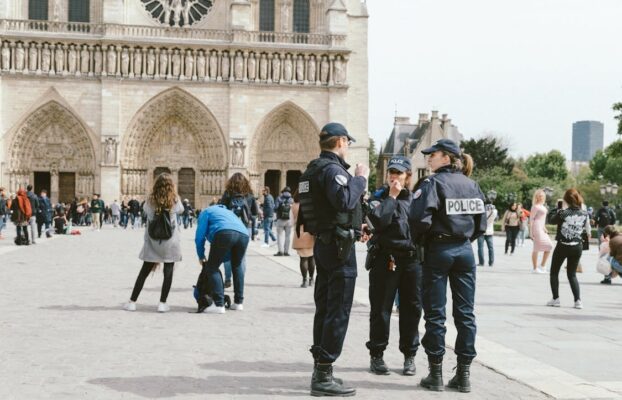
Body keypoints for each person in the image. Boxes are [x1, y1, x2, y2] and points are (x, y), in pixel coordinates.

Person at [408, 138, 486, 393]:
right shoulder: (471, 184)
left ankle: (436, 373)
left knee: (435, 313)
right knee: (465, 314)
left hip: (439, 250)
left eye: (433, 154)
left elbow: (418, 219)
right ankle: (463, 375)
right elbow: (481, 225)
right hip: (465, 251)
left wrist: (425, 240)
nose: (429, 158)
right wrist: (462, 238)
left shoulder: (433, 183)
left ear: (447, 157)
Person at [297, 122, 368, 397]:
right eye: (347, 142)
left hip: (324, 244)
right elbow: (343, 201)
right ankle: (324, 373)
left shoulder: (311, 170)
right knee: (338, 309)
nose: (348, 146)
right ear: (340, 142)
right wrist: (360, 178)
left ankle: (321, 368)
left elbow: (324, 209)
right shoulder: (333, 171)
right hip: (338, 248)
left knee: (325, 307)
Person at [365, 156, 422, 377]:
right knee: (381, 309)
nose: (394, 177)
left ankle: (409, 356)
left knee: (412, 309)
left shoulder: (417, 199)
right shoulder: (378, 198)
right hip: (385, 259)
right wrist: (392, 197)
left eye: (399, 173)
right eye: (391, 172)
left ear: (408, 176)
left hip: (411, 260)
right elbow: (375, 222)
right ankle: (377, 355)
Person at [124, 173, 184, 313]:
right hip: (170, 241)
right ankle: (162, 303)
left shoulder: (150, 200)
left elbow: (146, 212)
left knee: (144, 272)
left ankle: (132, 302)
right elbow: (180, 210)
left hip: (152, 240)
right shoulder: (175, 200)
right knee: (168, 272)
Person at [194, 204, 250, 313]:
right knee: (237, 266)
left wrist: (201, 255)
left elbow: (199, 236)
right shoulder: (229, 212)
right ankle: (238, 303)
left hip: (224, 233)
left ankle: (219, 304)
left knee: (212, 268)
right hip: (244, 234)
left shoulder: (206, 212)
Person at [546, 189, 590, 309]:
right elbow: (587, 227)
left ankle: (556, 299)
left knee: (554, 272)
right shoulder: (585, 213)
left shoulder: (564, 213)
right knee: (572, 274)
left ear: (566, 200)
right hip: (577, 246)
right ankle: (578, 301)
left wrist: (557, 208)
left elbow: (551, 220)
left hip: (563, 245)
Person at [220, 173, 258, 288]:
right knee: (241, 257)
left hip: (229, 228)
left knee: (227, 255)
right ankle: (240, 281)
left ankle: (227, 279)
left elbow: (221, 210)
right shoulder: (250, 196)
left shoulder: (227, 194)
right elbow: (255, 213)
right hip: (244, 229)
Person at [292, 190, 315, 288]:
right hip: (310, 233)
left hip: (299, 233)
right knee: (312, 257)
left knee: (303, 258)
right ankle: (311, 279)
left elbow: (291, 221)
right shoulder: (311, 205)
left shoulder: (294, 206)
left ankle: (304, 280)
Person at [529, 189, 553, 274]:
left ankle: (542, 266)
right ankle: (535, 268)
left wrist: (544, 228)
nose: (540, 197)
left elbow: (542, 219)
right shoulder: (535, 206)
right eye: (538, 196)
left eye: (542, 195)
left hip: (542, 228)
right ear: (536, 197)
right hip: (536, 228)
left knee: (549, 246)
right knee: (536, 248)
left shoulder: (543, 206)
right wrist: (531, 233)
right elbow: (531, 220)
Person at [274, 186, 294, 256]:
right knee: (288, 236)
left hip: (280, 219)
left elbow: (275, 208)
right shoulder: (291, 199)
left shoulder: (279, 198)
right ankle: (286, 252)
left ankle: (280, 251)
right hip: (289, 220)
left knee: (279, 236)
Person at [477, 200, 497, 267]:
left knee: (480, 247)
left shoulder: (481, 210)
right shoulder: (494, 211)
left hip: (481, 231)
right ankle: (491, 262)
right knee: (490, 248)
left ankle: (481, 262)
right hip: (489, 231)